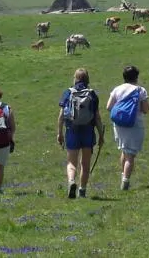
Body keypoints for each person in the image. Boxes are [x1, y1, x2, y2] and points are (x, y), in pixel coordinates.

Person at [57, 68, 106, 199]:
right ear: (87, 79)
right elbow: (97, 117)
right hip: (88, 131)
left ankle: (71, 181)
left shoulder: (68, 92)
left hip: (71, 130)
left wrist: (59, 133)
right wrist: (101, 135)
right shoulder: (92, 94)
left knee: (71, 162)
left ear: (75, 78)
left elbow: (61, 116)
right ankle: (82, 190)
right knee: (85, 163)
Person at [106, 65, 149, 191]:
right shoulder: (140, 90)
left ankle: (123, 175)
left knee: (124, 151)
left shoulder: (117, 89)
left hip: (119, 124)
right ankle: (125, 182)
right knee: (130, 155)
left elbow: (109, 107)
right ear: (136, 77)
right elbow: (146, 109)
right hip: (134, 124)